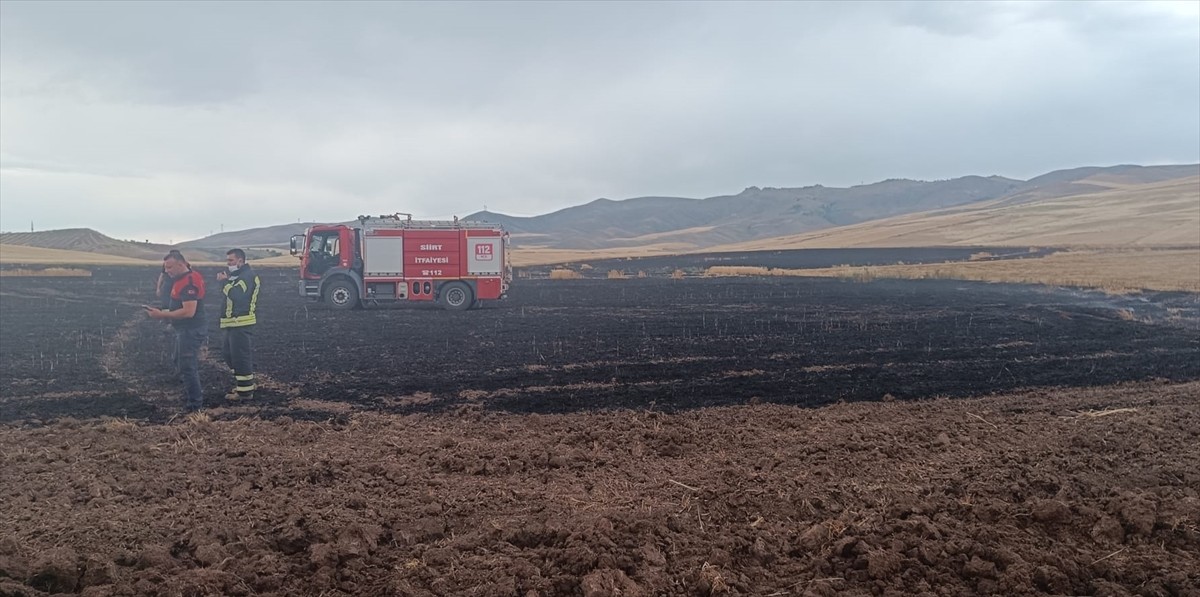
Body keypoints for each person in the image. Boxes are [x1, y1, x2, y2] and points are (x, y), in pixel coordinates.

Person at [144, 252, 207, 413]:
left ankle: (195, 405)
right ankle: (188, 394)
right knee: (179, 361)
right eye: (165, 268)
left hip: (190, 330)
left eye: (170, 267)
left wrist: (162, 315)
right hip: (184, 329)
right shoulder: (182, 278)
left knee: (187, 366)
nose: (167, 271)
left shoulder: (188, 282)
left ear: (181, 264)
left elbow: (188, 312)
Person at [216, 248, 260, 401]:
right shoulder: (237, 277)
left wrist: (224, 282)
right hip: (231, 323)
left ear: (240, 261)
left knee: (240, 357)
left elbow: (237, 295)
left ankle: (245, 392)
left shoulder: (247, 277)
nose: (228, 264)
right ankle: (246, 383)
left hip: (241, 323)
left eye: (231, 260)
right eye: (227, 260)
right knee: (228, 355)